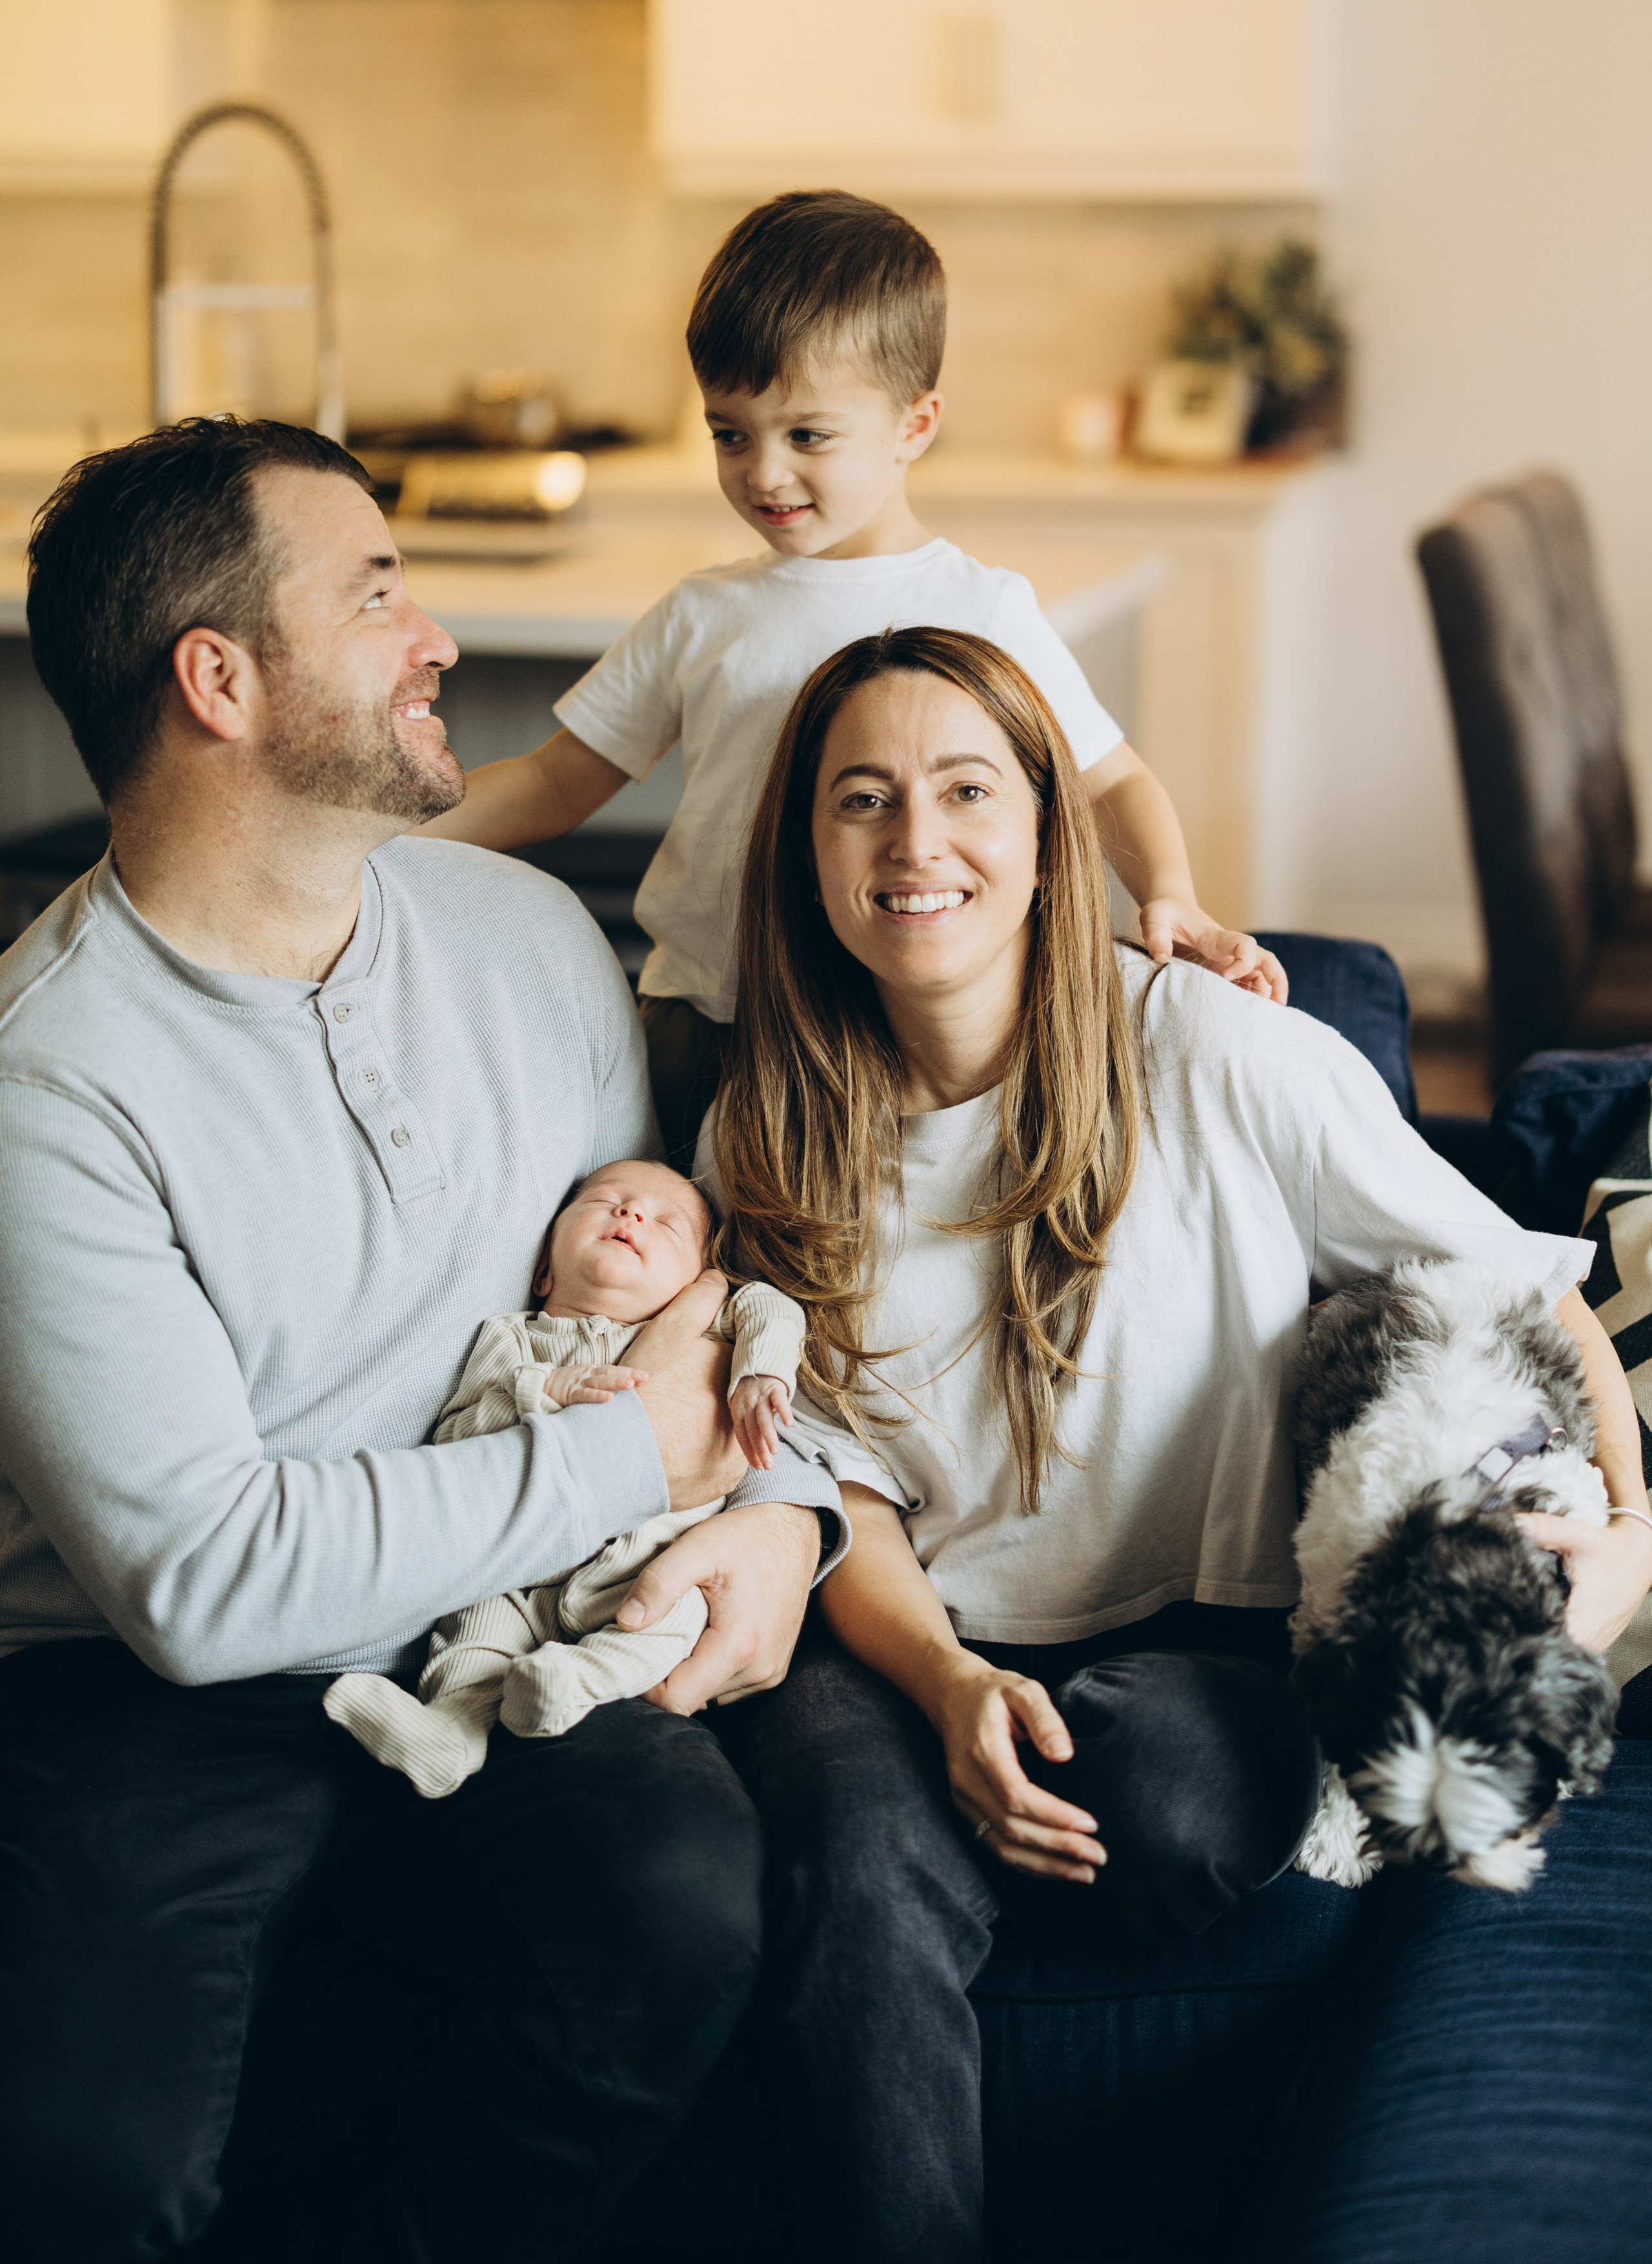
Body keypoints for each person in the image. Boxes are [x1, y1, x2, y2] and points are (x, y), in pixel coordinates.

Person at [700, 624, 1652, 2263]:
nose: (913, 845)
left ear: (1048, 833)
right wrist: (942, 1689)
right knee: (849, 1875)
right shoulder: (761, 1127)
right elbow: (832, 1482)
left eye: (962, 791)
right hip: (907, 1636)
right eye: (859, 800)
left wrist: (1631, 1537)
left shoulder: (1210, 1050)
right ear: (804, 850)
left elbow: (1529, 1288)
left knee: (1152, 1783)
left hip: (1209, 1640)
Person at [0, 418, 844, 2264]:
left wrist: (789, 1512)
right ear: (218, 680)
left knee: (685, 1905)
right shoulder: (45, 1088)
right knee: (88, 2170)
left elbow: (693, 1296)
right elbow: (204, 1582)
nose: (439, 635)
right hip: (155, 1703)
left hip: (503, 1627)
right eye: (378, 593)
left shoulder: (533, 938)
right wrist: (636, 1459)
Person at [423, 189, 1287, 1167]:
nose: (764, 474)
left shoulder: (984, 609)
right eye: (730, 434)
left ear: (915, 425)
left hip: (883, 1028)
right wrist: (377, 836)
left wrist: (1169, 893)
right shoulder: (704, 615)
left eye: (807, 436)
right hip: (704, 1017)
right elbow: (553, 781)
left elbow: (1111, 781)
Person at [325, 1155, 806, 1795]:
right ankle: (450, 1732)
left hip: (641, 1564)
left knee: (677, 1613)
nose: (631, 1214)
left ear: (696, 1282)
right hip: (519, 1572)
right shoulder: (511, 1341)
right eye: (607, 1200)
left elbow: (773, 1310)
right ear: (545, 1269)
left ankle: (573, 1683)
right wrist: (544, 1389)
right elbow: (457, 1439)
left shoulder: (707, 1327)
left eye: (666, 1223)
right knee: (473, 1626)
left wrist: (760, 1374)